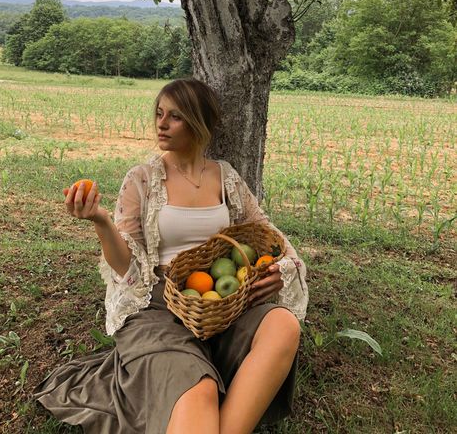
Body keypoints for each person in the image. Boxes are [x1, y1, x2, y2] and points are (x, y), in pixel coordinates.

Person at [34, 78, 308, 434]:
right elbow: (126, 266)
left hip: (221, 300)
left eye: (175, 116)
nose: (161, 124)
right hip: (158, 304)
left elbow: (268, 234)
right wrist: (100, 221)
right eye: (159, 113)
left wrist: (281, 268)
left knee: (283, 325)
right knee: (200, 390)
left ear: (200, 122)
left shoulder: (225, 177)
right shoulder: (142, 179)